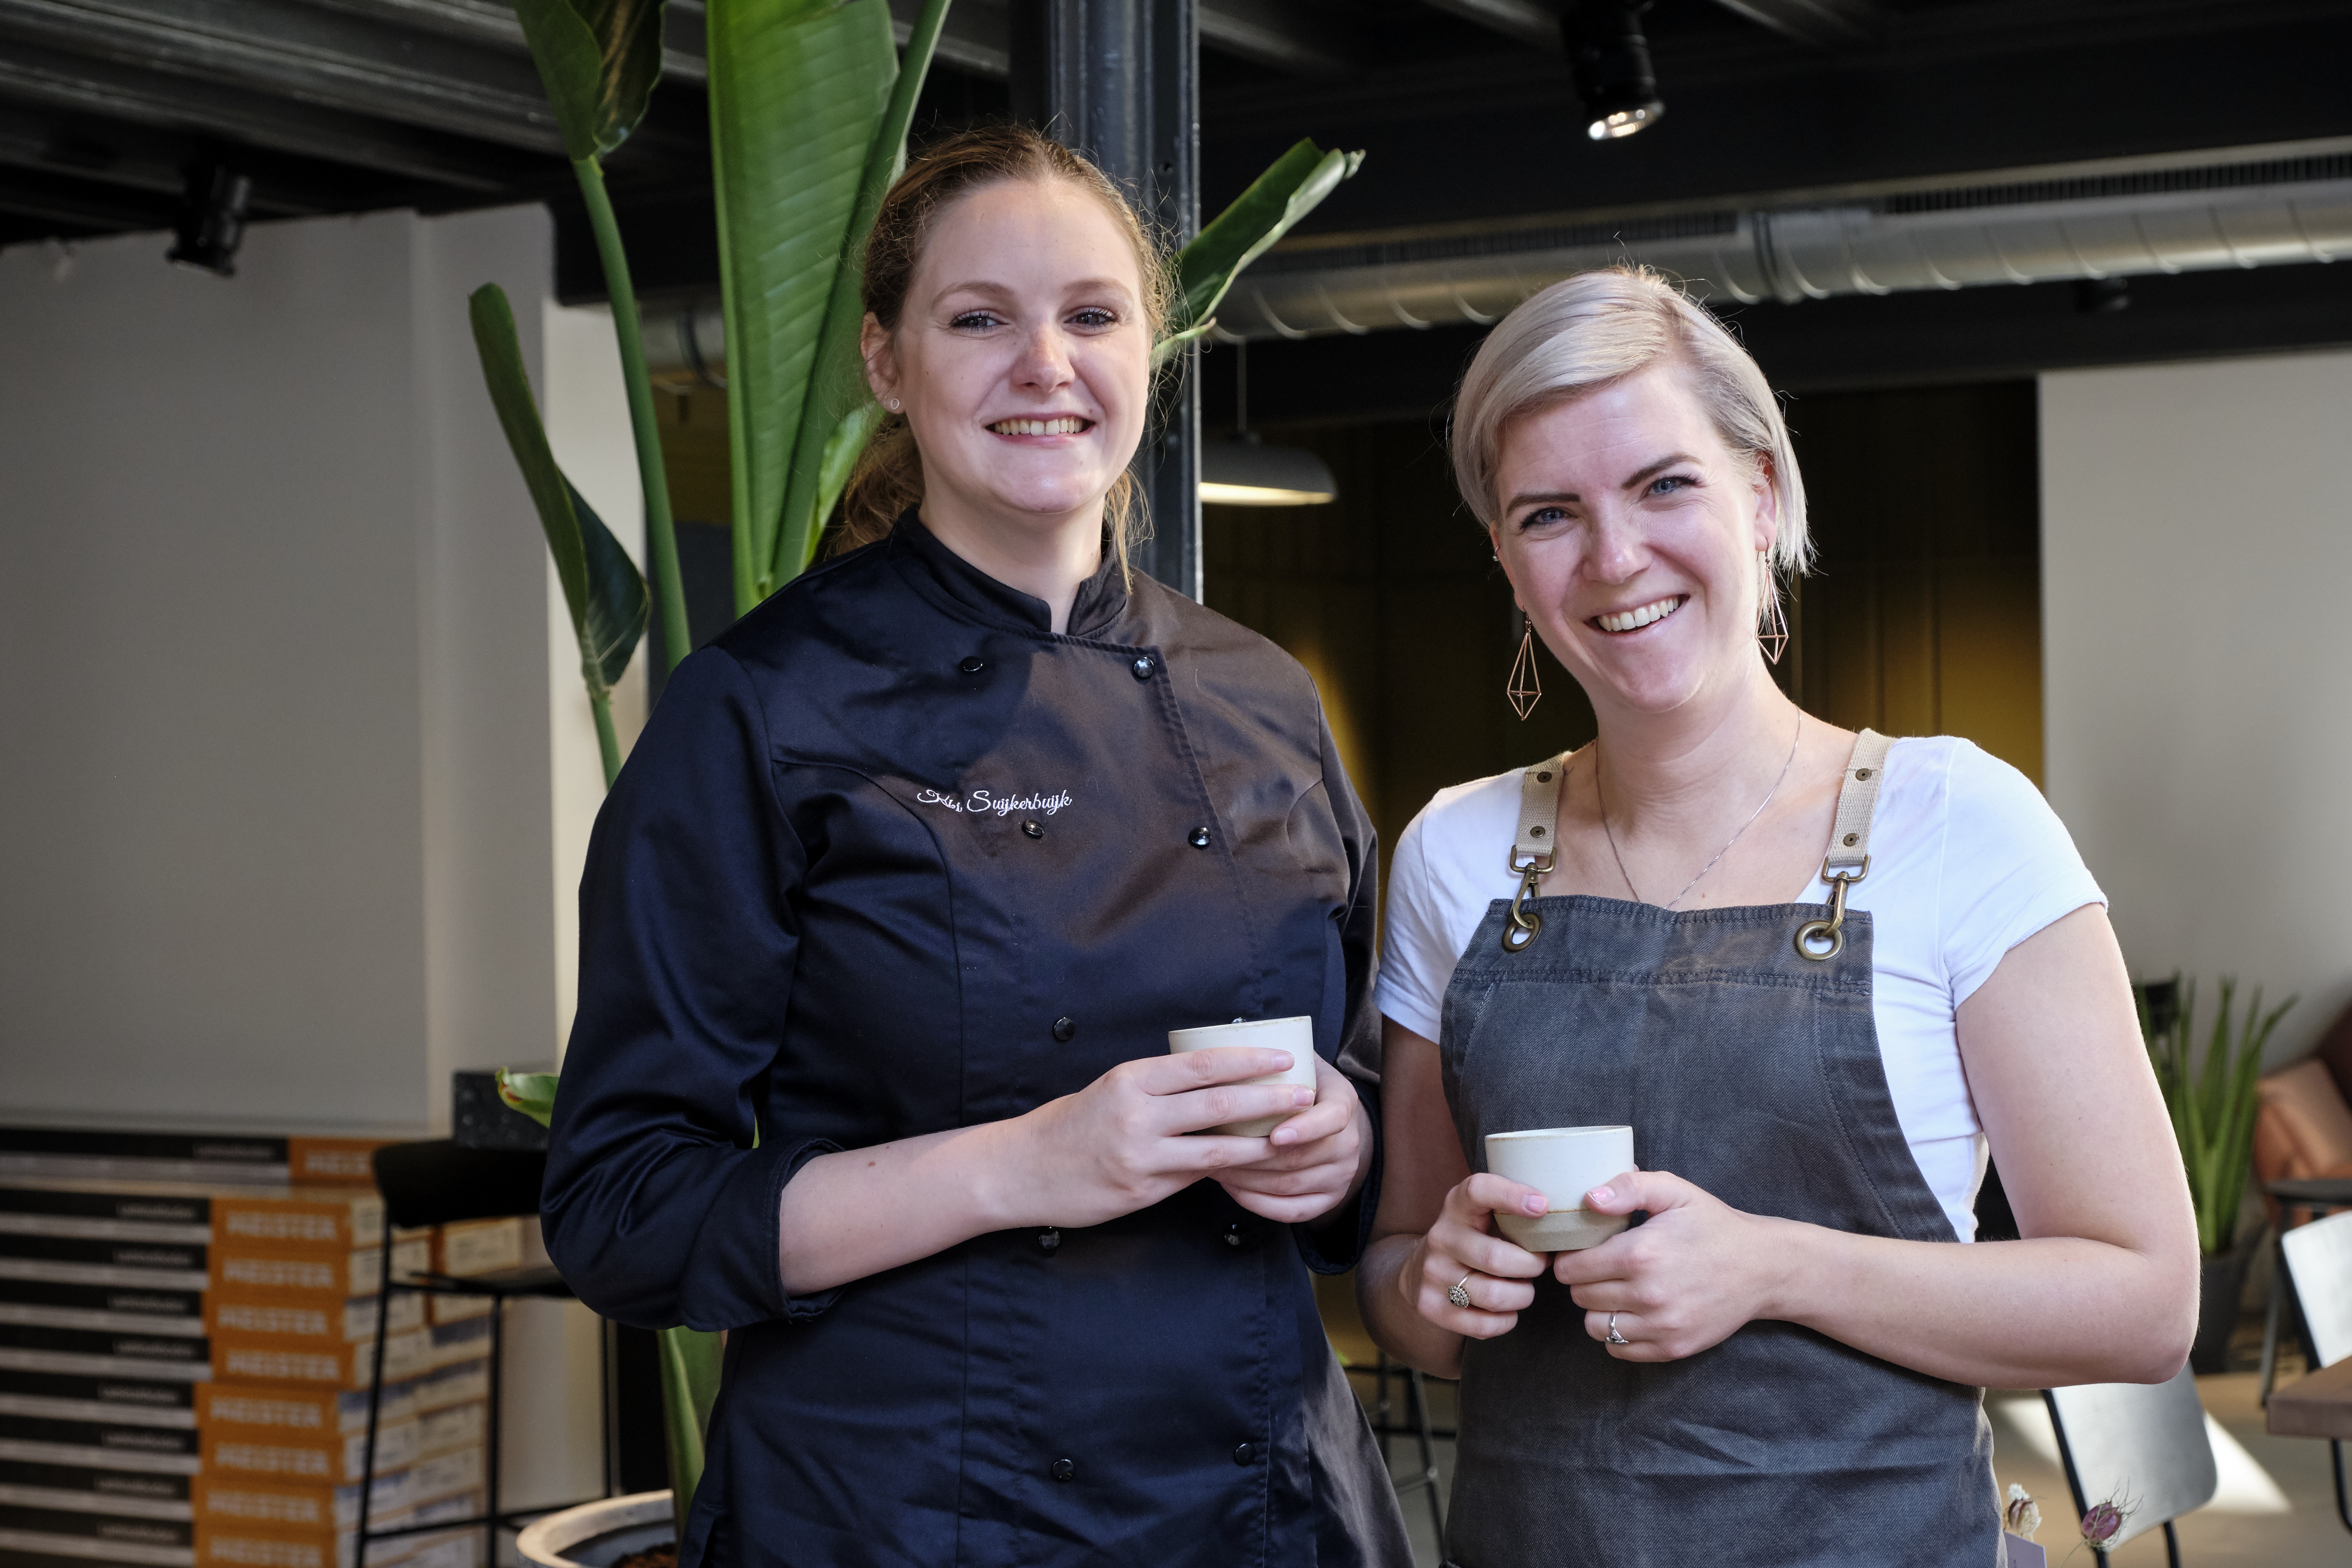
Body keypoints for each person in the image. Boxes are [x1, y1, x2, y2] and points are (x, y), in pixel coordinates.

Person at [540, 126, 1412, 1568]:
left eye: (1091, 315)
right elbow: (622, 1206)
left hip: (1264, 1509)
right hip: (906, 1513)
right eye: (978, 319)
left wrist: (1348, 1143)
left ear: (1152, 349)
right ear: (888, 363)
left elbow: (1383, 1087)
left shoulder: (1265, 694)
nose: (1044, 364)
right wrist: (1025, 1165)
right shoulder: (763, 705)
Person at [1354, 267, 2198, 1567]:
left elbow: (2144, 1302)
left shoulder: (1958, 822)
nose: (1614, 555)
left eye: (1663, 484)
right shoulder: (1455, 855)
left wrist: (1771, 1267)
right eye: (1549, 515)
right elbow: (1403, 1287)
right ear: (1509, 565)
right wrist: (1436, 1279)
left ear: (1760, 491)